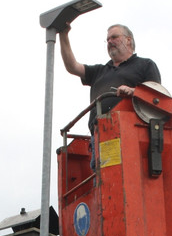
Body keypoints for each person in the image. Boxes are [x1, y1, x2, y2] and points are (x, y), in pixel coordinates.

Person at [59, 23, 161, 168]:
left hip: (132, 134)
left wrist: (133, 91)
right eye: (107, 40)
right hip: (100, 133)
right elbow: (72, 66)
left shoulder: (145, 65)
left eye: (114, 37)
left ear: (128, 40)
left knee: (122, 173)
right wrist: (63, 35)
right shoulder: (100, 71)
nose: (109, 42)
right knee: (105, 179)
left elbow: (157, 97)